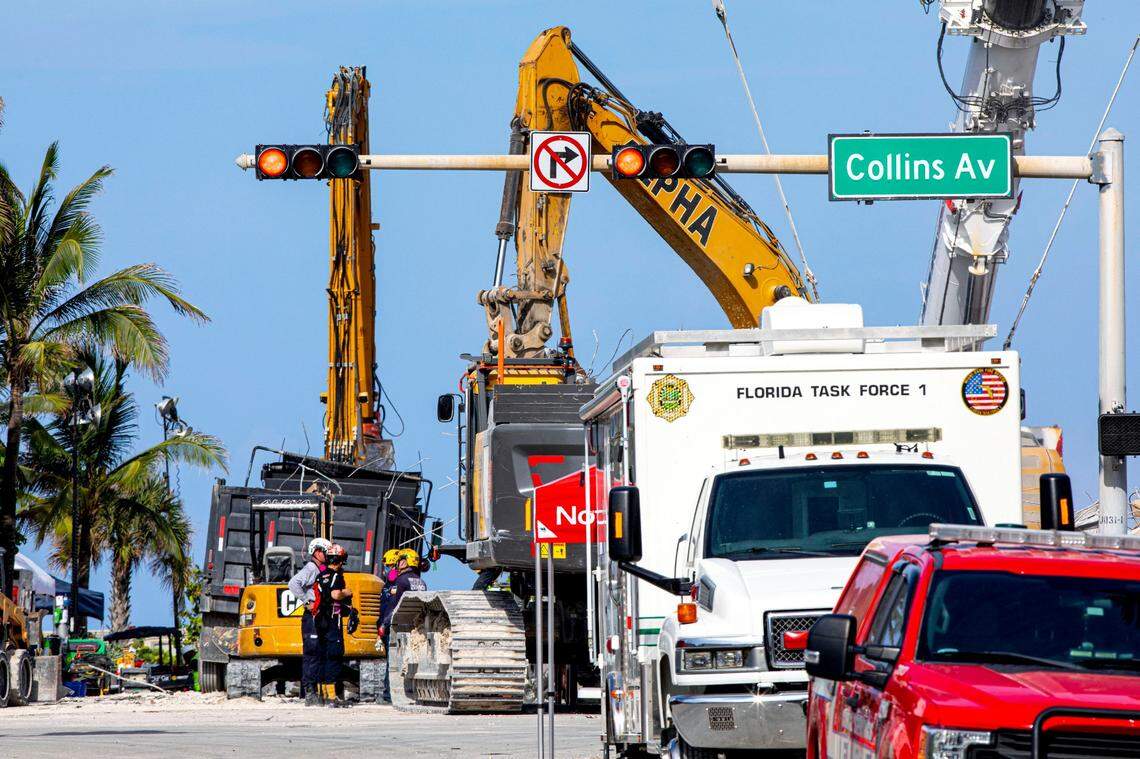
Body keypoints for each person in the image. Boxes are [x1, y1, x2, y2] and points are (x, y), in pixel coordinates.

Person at [377, 548, 428, 703]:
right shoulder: (420, 581)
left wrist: (384, 624)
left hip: (397, 625)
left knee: (393, 661)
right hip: (414, 625)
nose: (397, 565)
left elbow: (395, 605)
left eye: (400, 561)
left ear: (406, 561)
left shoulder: (401, 581)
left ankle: (388, 695)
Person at [287, 537, 330, 706]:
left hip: (318, 616)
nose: (328, 556)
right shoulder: (311, 568)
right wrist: (307, 601)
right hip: (311, 617)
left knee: (318, 654)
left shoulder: (320, 570)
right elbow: (293, 583)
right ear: (317, 552)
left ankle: (314, 692)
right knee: (311, 654)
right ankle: (310, 693)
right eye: (326, 552)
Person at [316, 543, 353, 707]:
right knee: (334, 656)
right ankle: (332, 698)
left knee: (323, 656)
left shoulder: (320, 575)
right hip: (332, 620)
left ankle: (322, 695)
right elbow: (335, 594)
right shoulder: (336, 576)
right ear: (340, 560)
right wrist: (348, 592)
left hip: (320, 620)